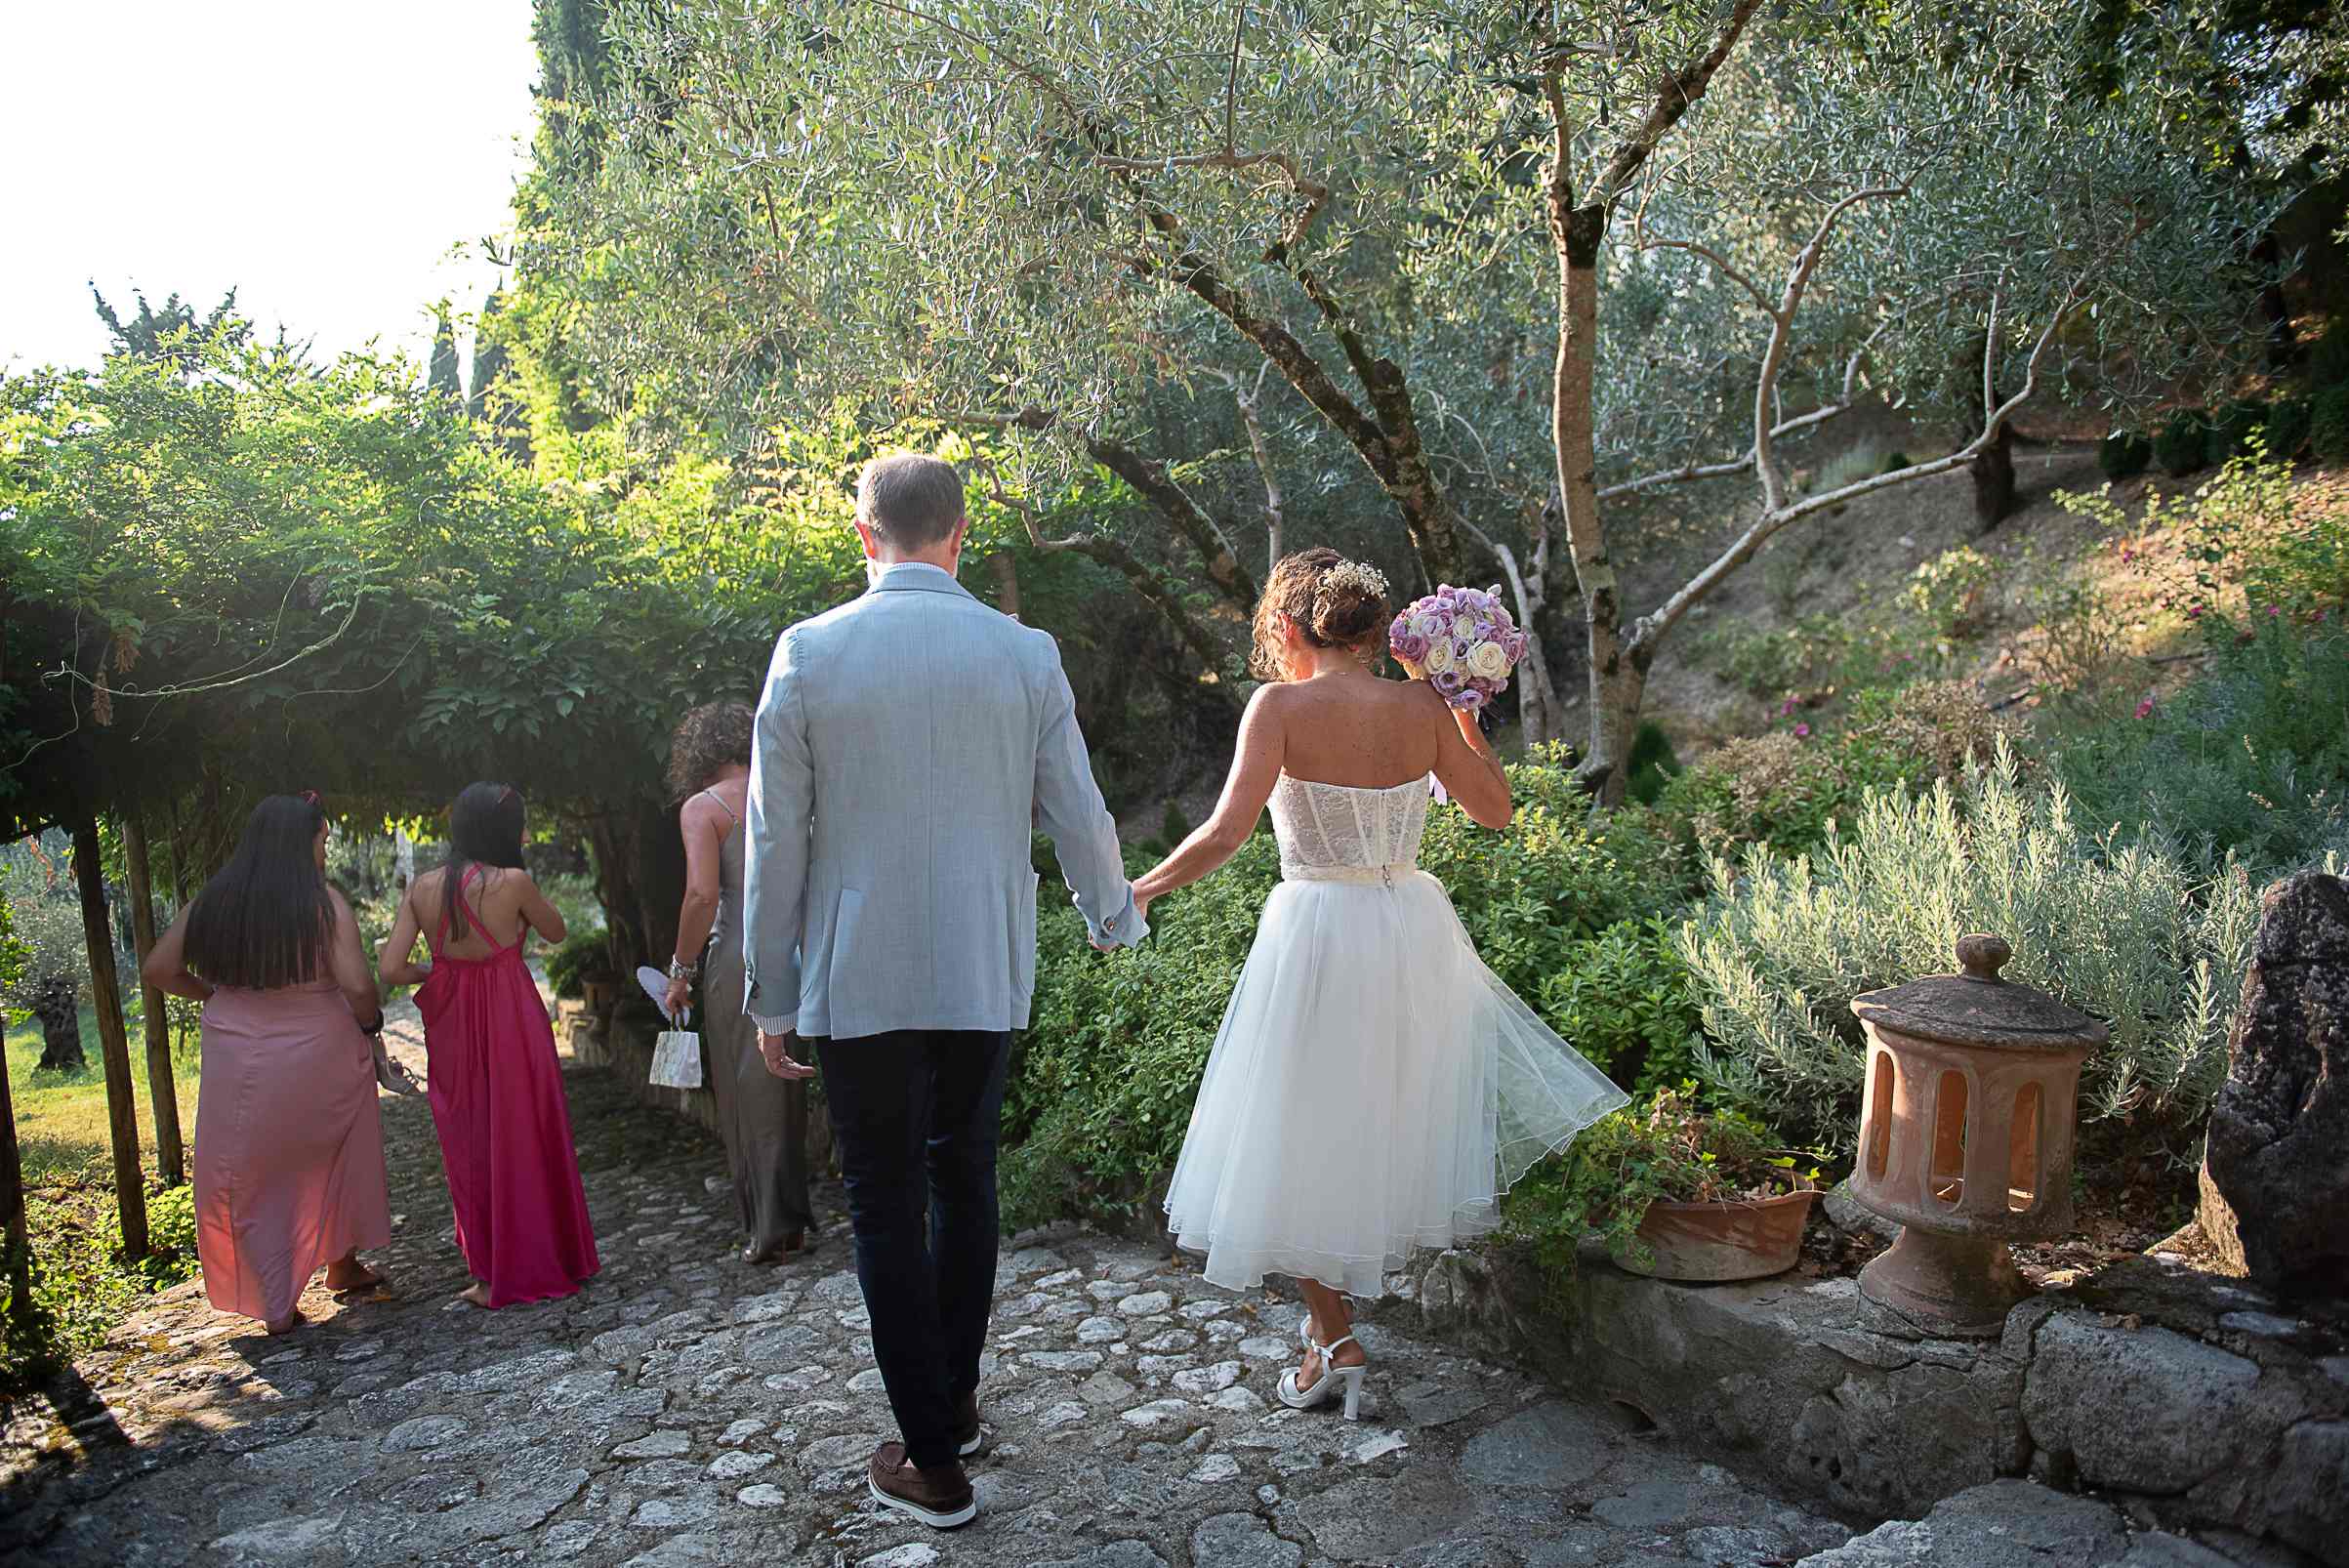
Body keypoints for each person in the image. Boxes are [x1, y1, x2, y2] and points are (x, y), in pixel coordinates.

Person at [742, 451, 1144, 1530]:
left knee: (881, 1199)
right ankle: (952, 1411)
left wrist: (771, 988)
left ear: (863, 537)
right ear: (959, 534)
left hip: (857, 964)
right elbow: (1076, 803)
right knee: (964, 1178)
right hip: (981, 959)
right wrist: (1111, 914)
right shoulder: (1023, 651)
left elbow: (774, 836)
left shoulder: (809, 651)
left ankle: (932, 1459)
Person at [1137, 549, 1628, 1420]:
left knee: (1300, 1130)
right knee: (1372, 1124)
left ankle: (1334, 1338)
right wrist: (1465, 712)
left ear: (1289, 628)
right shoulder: (1423, 705)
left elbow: (1224, 833)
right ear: (1375, 633)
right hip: (1411, 930)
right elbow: (1495, 811)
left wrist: (1138, 889)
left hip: (1319, 930)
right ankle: (1328, 1336)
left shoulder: (1279, 706)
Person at [143, 792, 392, 1336]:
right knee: (338, 1148)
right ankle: (339, 1264)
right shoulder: (323, 904)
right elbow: (356, 985)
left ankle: (275, 1297)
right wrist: (371, 1027)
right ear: (301, 843)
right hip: (317, 1052)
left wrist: (214, 994)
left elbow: (159, 968)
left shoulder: (214, 901)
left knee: (253, 1169)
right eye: (322, 840)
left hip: (236, 1054)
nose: (324, 851)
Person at [378, 782, 599, 1308]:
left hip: (452, 1017)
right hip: (511, 1016)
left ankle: (488, 1273)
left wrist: (436, 968)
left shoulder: (424, 888)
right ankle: (555, 1256)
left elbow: (389, 968)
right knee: (528, 1128)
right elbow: (558, 932)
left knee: (469, 1138)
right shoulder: (515, 882)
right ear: (502, 831)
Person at [663, 701, 813, 1264]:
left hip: (741, 954)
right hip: (805, 944)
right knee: (791, 1083)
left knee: (748, 1089)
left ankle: (769, 1228)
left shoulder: (704, 806)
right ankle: (791, 1218)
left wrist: (680, 970)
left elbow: (703, 895)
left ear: (699, 754)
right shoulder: (789, 787)